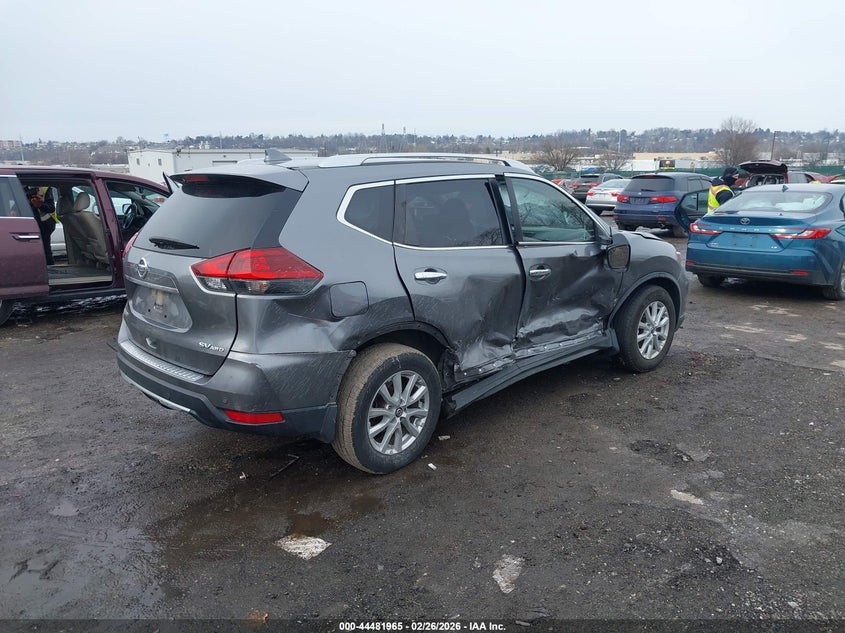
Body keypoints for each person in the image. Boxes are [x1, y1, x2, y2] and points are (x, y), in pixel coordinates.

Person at [25, 186, 57, 265]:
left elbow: (51, 208)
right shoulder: (22, 187)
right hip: (29, 222)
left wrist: (39, 205)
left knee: (45, 249)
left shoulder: (45, 188)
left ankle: (50, 269)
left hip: (45, 223)